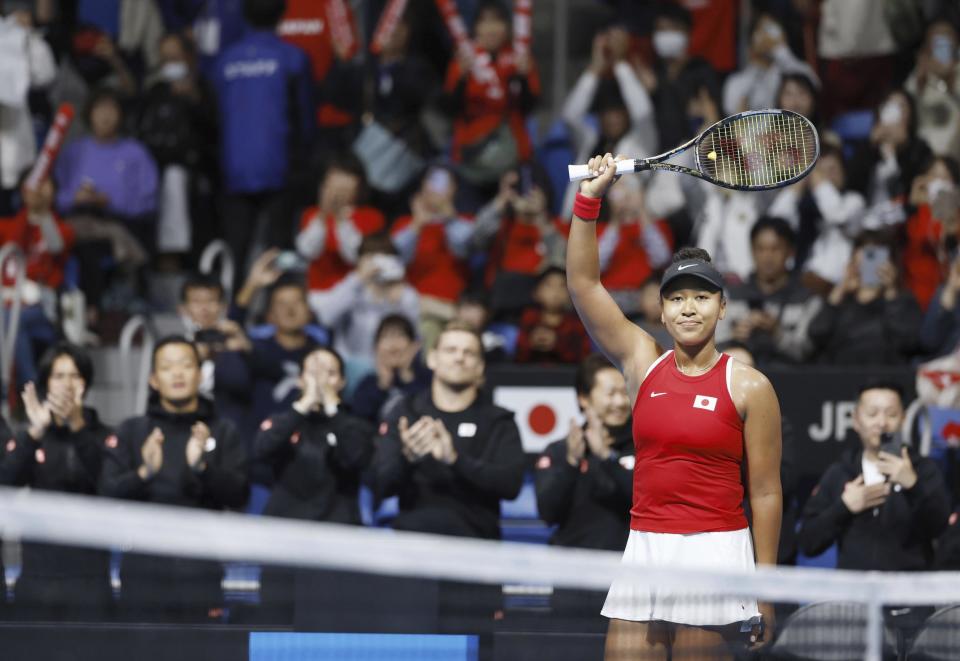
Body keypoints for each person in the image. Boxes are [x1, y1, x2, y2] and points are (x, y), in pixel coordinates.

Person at [567, 153, 782, 660]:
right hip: (644, 547)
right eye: (678, 297)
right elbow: (583, 284)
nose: (689, 307)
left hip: (716, 552)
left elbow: (767, 492)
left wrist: (767, 590)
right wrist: (589, 200)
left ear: (722, 307)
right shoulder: (643, 363)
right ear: (660, 310)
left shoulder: (749, 386)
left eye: (703, 297)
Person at [100, 336, 249, 622]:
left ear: (200, 374)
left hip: (202, 576)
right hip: (142, 576)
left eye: (186, 365)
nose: (178, 373)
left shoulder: (223, 429)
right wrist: (144, 472)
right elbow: (106, 493)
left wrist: (202, 467)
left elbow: (239, 495)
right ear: (154, 380)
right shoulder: (133, 431)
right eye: (168, 367)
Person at [369, 321, 525, 539]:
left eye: (469, 352)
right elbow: (381, 485)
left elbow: (510, 486)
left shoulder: (498, 420)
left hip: (476, 546)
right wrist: (407, 459)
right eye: (451, 350)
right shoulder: (405, 412)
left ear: (480, 366)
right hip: (411, 545)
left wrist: (454, 459)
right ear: (432, 359)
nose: (459, 358)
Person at [254, 346, 374, 622]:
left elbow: (359, 458)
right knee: (276, 629)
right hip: (283, 544)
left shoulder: (356, 426)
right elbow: (261, 451)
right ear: (299, 380)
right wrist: (302, 406)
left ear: (342, 382)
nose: (320, 381)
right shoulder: (282, 421)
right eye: (313, 373)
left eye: (330, 373)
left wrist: (334, 409)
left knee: (331, 629)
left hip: (337, 545)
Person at [3, 343, 112, 621]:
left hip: (90, 578)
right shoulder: (32, 436)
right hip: (38, 577)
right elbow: (6, 484)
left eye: (75, 376)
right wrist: (34, 433)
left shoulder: (105, 435)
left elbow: (107, 486)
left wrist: (78, 427)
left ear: (85, 383)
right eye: (58, 376)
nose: (67, 384)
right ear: (45, 383)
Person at [798, 381, 950, 571]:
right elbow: (807, 542)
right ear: (855, 420)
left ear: (903, 419)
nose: (882, 422)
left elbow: (943, 532)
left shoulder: (923, 469)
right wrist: (844, 507)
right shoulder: (840, 472)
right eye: (872, 413)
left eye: (891, 414)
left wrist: (913, 486)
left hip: (909, 594)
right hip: (853, 595)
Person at [212, 0, 314, 281]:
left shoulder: (225, 60)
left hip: (233, 169)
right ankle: (276, 311)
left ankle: (232, 310)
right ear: (282, 14)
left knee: (236, 250)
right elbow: (305, 119)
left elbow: (214, 116)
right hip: (280, 169)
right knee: (278, 248)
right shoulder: (293, 58)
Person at [535, 353, 633, 550]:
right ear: (584, 398)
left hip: (629, 571)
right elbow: (547, 514)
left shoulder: (646, 447)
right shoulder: (561, 450)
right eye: (611, 393)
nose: (621, 402)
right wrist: (572, 462)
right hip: (572, 571)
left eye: (625, 392)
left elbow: (649, 502)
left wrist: (606, 456)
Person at [0, 173, 74, 389]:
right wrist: (28, 212)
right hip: (7, 303)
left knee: (9, 320)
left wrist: (42, 213)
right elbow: (11, 246)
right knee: (7, 319)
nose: (39, 189)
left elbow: (56, 246)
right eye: (34, 184)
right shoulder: (6, 226)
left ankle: (29, 391)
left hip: (43, 310)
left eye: (45, 184)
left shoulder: (64, 229)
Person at [716, 217, 821, 366]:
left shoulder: (808, 300)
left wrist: (777, 333)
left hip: (791, 380)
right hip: (739, 379)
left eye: (775, 249)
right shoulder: (730, 296)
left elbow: (807, 352)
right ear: (752, 251)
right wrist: (734, 338)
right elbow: (711, 349)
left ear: (790, 252)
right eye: (761, 249)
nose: (767, 257)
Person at [808, 233, 922, 365]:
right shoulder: (841, 301)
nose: (869, 265)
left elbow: (907, 342)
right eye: (863, 258)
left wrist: (892, 294)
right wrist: (840, 289)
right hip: (840, 376)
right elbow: (816, 335)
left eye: (874, 257)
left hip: (883, 376)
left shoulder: (902, 301)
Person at [313, 233, 420, 362]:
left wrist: (399, 304)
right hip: (352, 366)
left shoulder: (405, 294)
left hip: (390, 367)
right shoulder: (351, 288)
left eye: (385, 258)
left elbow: (415, 339)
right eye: (372, 258)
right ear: (360, 261)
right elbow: (326, 317)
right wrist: (358, 279)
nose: (378, 266)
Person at [350, 314, 431, 423]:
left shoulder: (427, 379)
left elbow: (428, 411)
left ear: (413, 345)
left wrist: (406, 375)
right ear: (376, 347)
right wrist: (382, 385)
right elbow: (359, 421)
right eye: (386, 337)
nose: (393, 345)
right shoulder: (368, 384)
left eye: (400, 335)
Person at [515, 267, 591, 365]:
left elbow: (583, 359)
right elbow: (518, 357)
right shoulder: (528, 318)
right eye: (549, 285)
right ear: (536, 292)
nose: (556, 292)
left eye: (562, 286)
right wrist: (531, 343)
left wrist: (557, 343)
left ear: (570, 294)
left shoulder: (577, 323)